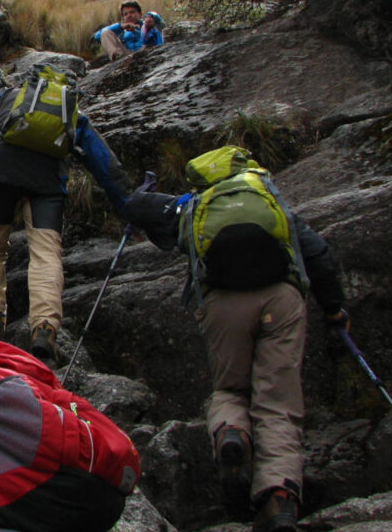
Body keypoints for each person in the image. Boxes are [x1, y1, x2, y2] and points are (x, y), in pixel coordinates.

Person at [123, 147, 351, 532]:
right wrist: (334, 310)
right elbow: (317, 254)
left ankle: (231, 434)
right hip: (281, 299)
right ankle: (278, 499)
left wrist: (145, 194)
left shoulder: (194, 205)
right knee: (278, 403)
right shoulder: (270, 200)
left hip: (222, 303)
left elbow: (139, 207)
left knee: (229, 389)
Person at [0, 71, 132, 363]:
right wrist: (128, 205)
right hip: (47, 184)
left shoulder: (8, 97)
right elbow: (105, 165)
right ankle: (44, 329)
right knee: (46, 254)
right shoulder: (72, 114)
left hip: (1, 175)